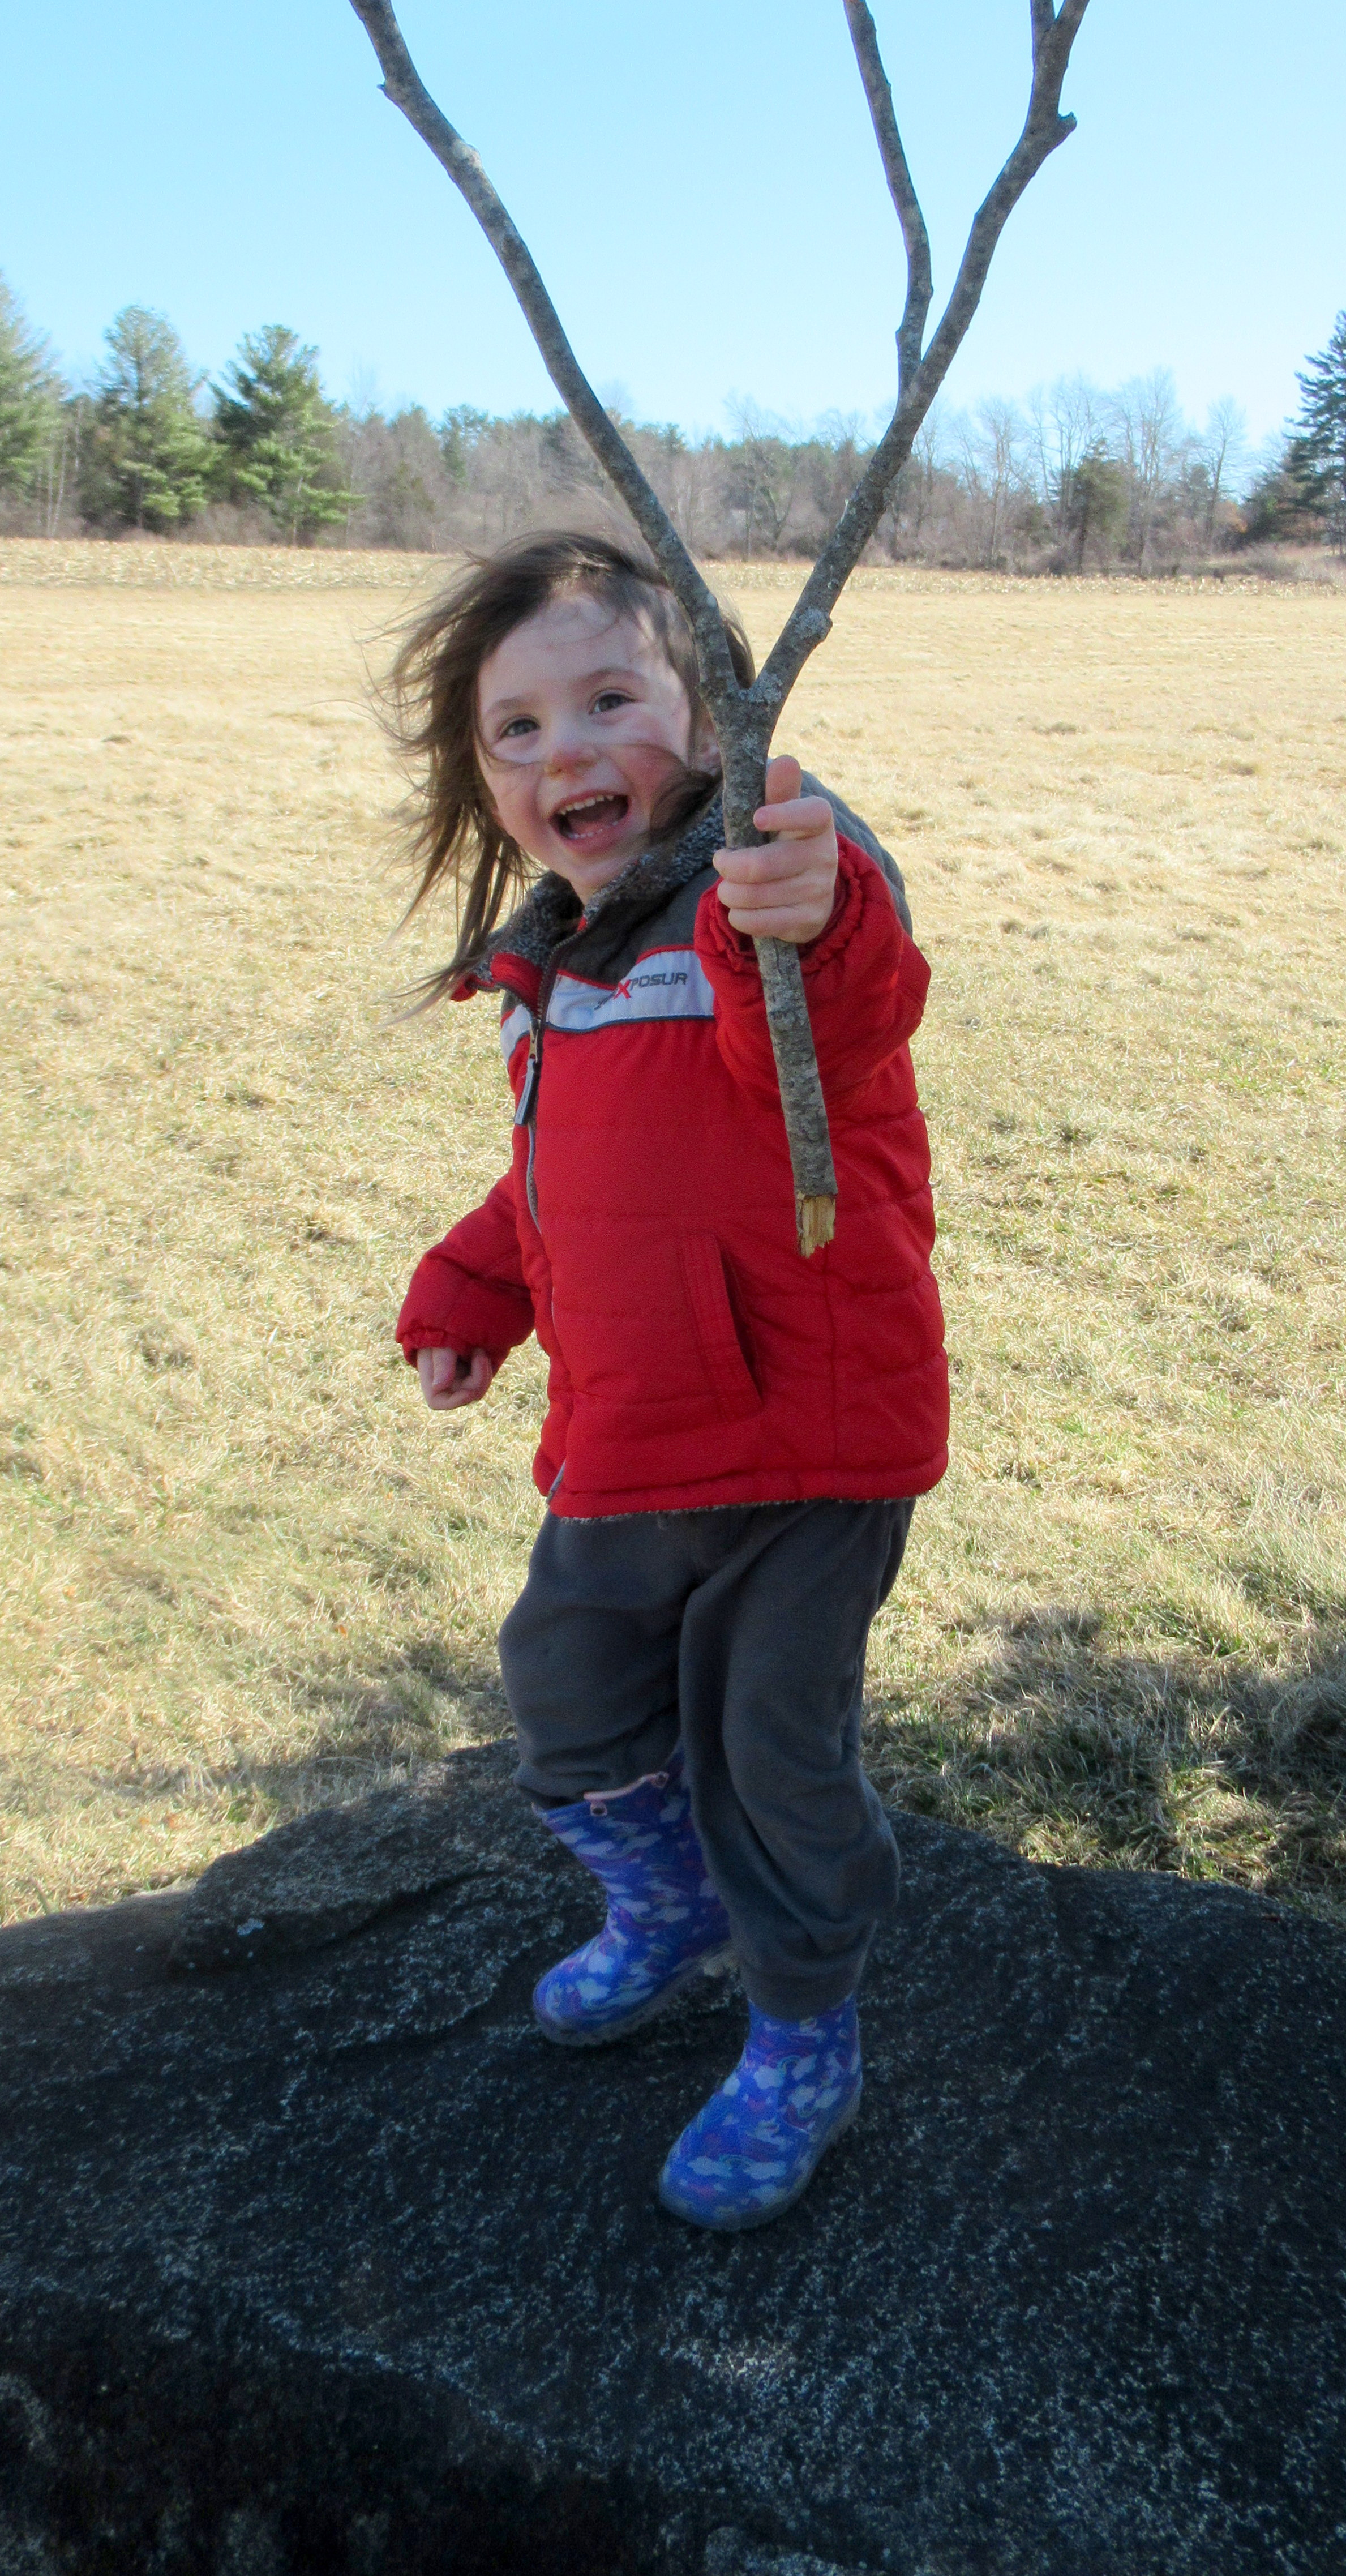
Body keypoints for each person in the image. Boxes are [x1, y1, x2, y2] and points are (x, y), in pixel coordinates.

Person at [388, 528, 948, 2230]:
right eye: (517, 729)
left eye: (610, 702)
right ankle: (670, 1906)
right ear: (486, 779)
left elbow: (838, 1018)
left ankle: (802, 2033)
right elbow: (567, 1180)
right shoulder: (558, 957)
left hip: (802, 1441)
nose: (565, 750)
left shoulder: (757, 907)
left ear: (710, 718)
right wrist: (477, 1284)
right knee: (563, 1688)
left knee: (771, 1759)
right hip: (630, 1435)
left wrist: (810, 905)